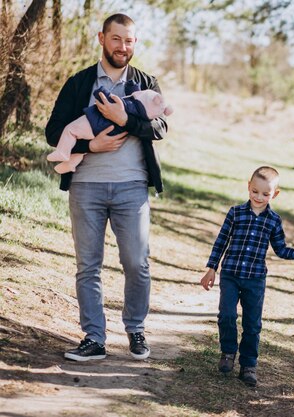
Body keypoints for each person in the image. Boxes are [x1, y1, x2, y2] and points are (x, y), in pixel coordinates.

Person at [45, 13, 169, 361]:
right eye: (116, 39)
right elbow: (53, 132)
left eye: (129, 40)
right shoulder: (79, 83)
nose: (123, 47)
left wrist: (126, 120)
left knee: (137, 262)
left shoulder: (146, 82)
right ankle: (94, 338)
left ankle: (135, 329)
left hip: (132, 188)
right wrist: (89, 147)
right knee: (88, 265)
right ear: (102, 38)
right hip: (86, 188)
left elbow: (160, 128)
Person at [200, 166, 294, 387]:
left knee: (252, 323)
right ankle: (228, 353)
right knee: (227, 315)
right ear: (248, 187)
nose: (259, 197)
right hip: (230, 274)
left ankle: (248, 365)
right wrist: (212, 268)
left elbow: (279, 249)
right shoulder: (235, 213)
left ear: (275, 194)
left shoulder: (273, 220)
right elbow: (221, 241)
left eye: (265, 194)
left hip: (255, 279)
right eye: (255, 191)